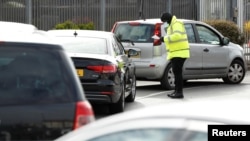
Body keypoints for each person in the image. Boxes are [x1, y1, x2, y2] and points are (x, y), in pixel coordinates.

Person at [160, 12, 190, 99]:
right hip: (176, 52)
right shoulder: (171, 25)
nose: (165, 23)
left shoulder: (176, 24)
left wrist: (164, 38)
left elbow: (177, 36)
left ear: (168, 19)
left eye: (165, 21)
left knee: (177, 72)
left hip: (180, 52)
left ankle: (179, 92)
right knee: (176, 72)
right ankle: (177, 91)